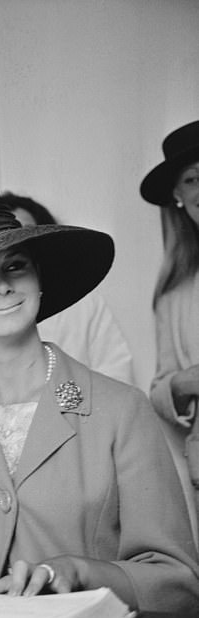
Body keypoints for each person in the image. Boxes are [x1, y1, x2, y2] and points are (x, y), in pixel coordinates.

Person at [0, 177, 199, 614]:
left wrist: (76, 571)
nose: (1, 285)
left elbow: (179, 584)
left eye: (15, 265)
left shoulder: (122, 410)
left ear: (37, 275)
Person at [0, 192, 134, 385]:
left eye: (26, 233)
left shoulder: (85, 303)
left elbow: (116, 373)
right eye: (9, 236)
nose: (18, 245)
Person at [140, 119, 199, 550]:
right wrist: (187, 381)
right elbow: (160, 387)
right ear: (178, 196)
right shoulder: (173, 292)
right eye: (193, 178)